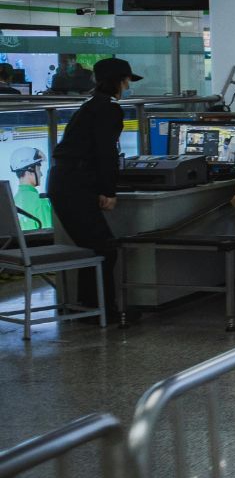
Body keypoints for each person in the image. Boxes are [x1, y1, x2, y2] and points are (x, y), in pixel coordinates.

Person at [47, 58, 142, 325]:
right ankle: (100, 309)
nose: (128, 87)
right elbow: (105, 151)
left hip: (66, 180)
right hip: (75, 183)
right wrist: (108, 190)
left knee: (94, 247)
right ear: (119, 81)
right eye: (127, 81)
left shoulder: (90, 106)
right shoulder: (109, 109)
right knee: (103, 248)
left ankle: (90, 306)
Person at [9, 147, 52, 231]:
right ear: (30, 170)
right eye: (39, 169)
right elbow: (50, 237)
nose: (41, 174)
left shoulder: (14, 201)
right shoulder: (40, 202)